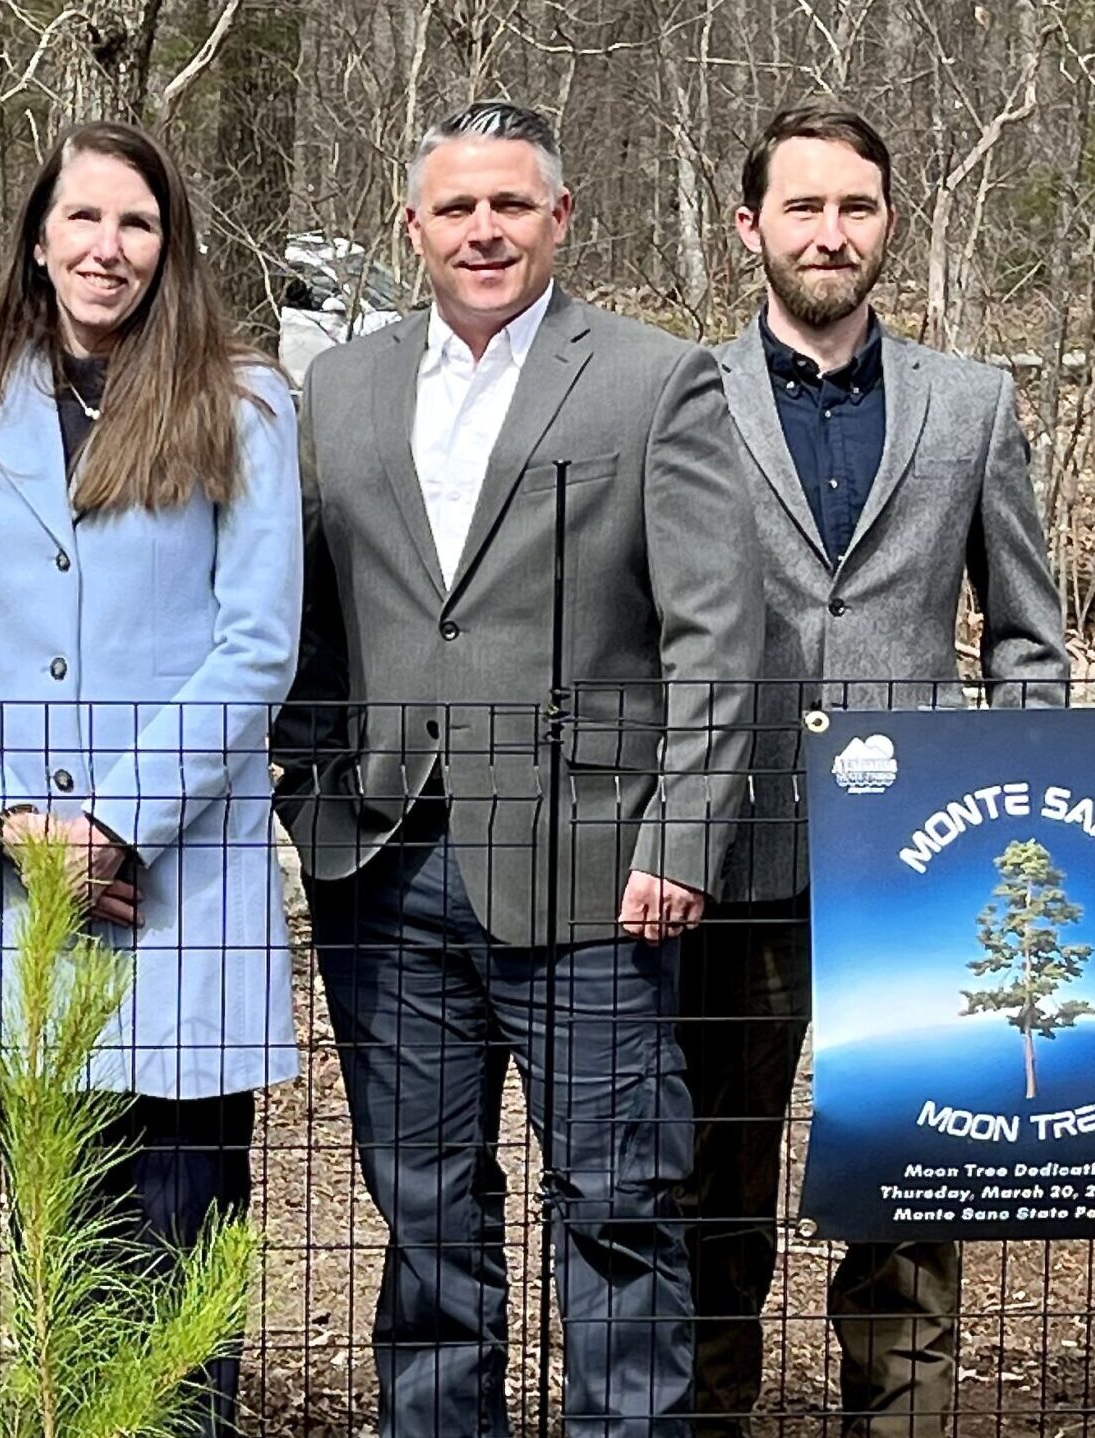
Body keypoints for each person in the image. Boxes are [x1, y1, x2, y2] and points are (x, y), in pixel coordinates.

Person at [272, 100, 761, 1438]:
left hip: (594, 875)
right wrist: (305, 783)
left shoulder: (657, 381)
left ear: (559, 217)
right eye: (455, 207)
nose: (482, 230)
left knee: (619, 1209)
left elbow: (717, 631)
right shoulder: (342, 386)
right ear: (412, 226)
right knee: (425, 1217)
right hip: (383, 864)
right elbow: (304, 612)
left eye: (509, 205)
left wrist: (683, 831)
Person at [0, 118, 302, 1438]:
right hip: (29, 900)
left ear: (168, 244)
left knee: (181, 1257)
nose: (107, 248)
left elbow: (256, 646)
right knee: (62, 1248)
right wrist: (12, 819)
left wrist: (118, 822)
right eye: (84, 219)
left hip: (176, 889)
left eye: (136, 223)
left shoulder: (243, 401)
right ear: (37, 234)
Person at [682, 101, 1068, 1438]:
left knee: (912, 1186)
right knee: (708, 1182)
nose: (830, 232)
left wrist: (1022, 793)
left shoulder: (971, 405)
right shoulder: (685, 398)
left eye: (855, 206)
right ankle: (704, 1415)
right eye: (803, 207)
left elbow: (1027, 631)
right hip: (728, 856)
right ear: (751, 228)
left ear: (888, 221)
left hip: (921, 869)